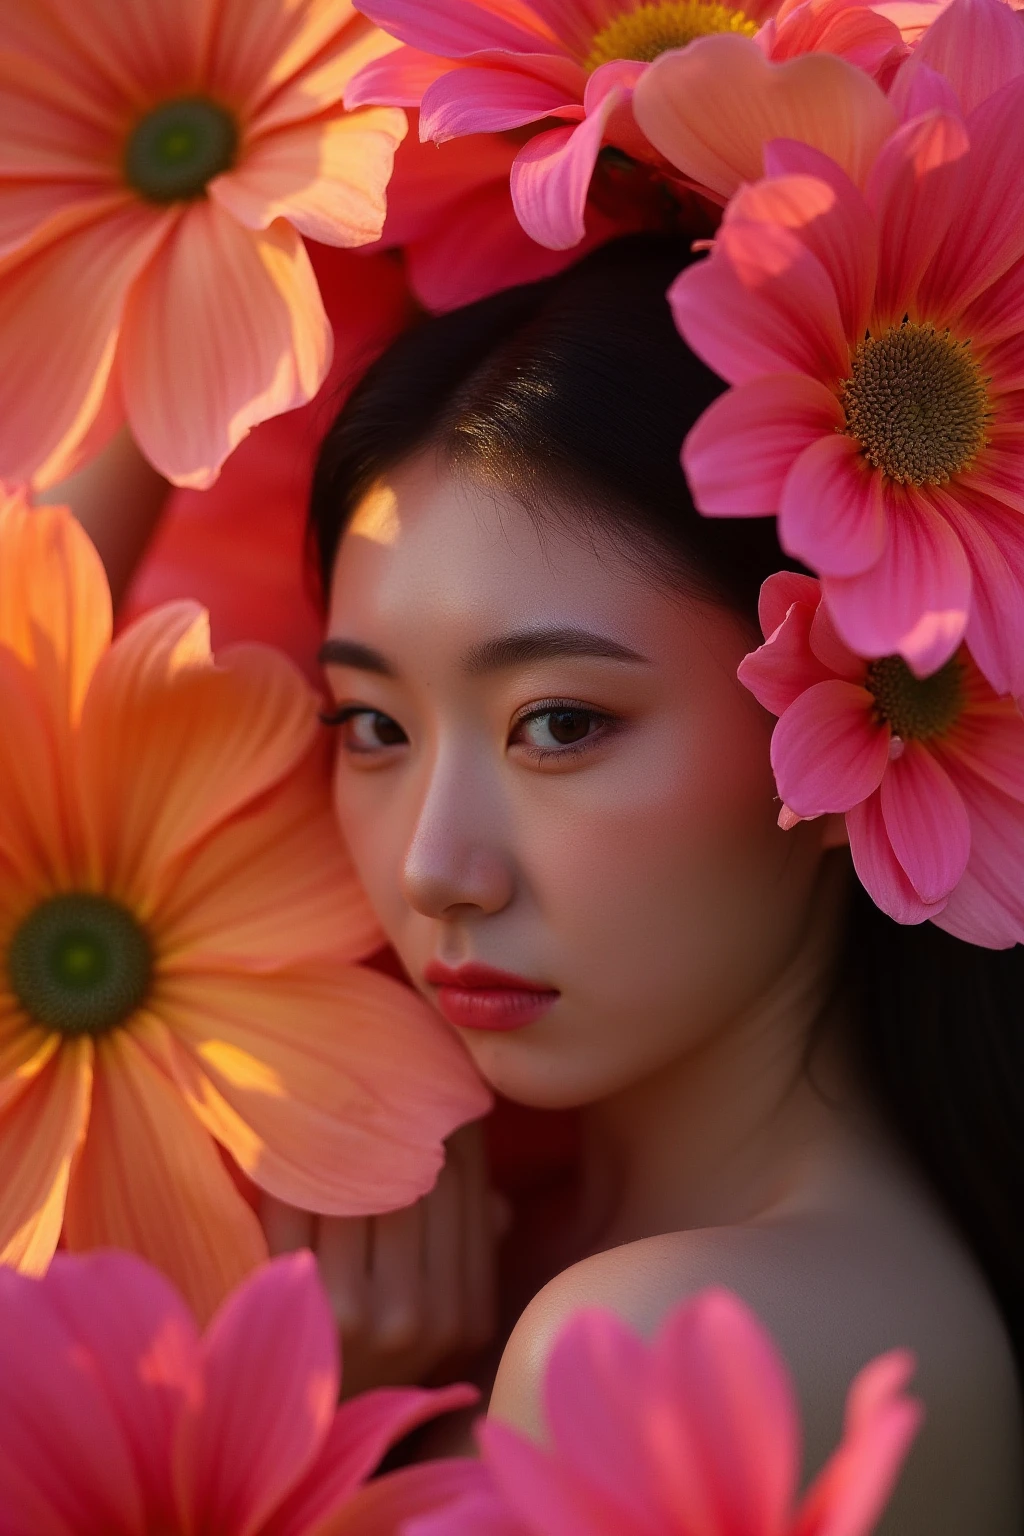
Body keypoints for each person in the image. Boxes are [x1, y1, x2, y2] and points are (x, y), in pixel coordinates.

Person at [278, 235, 1024, 1533]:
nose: (432, 868)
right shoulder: (518, 1240)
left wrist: (303, 1428)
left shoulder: (666, 1334)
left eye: (560, 724)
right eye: (374, 727)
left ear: (860, 721)